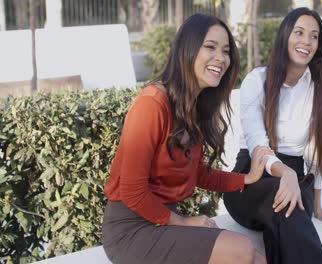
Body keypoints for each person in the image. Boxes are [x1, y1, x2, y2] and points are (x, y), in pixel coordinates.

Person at [102, 14, 271, 264]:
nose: (221, 58)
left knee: (257, 259)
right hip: (131, 229)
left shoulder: (191, 107)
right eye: (210, 47)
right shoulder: (152, 104)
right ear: (188, 49)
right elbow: (132, 191)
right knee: (241, 250)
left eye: (226, 51)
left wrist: (246, 179)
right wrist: (182, 222)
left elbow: (198, 173)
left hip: (163, 221)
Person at [223, 7, 322, 264]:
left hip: (295, 180)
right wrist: (286, 174)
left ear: (319, 44)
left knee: (285, 217)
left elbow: (317, 151)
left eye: (314, 36)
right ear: (285, 36)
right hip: (249, 178)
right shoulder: (256, 81)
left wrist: (316, 205)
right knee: (282, 200)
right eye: (299, 32)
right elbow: (258, 144)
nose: (306, 41)